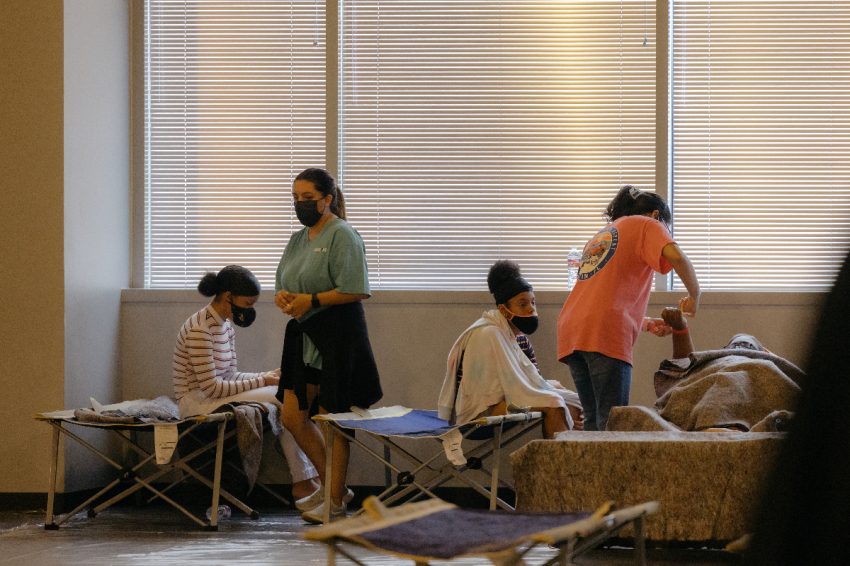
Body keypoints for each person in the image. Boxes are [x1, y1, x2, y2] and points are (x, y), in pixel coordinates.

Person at [274, 167, 382, 524]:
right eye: (295, 198)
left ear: (327, 199)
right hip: (305, 334)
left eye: (307, 198)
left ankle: (334, 501)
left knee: (334, 418)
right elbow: (285, 283)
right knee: (292, 416)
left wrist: (313, 300)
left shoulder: (343, 234)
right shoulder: (297, 239)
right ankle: (335, 487)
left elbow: (356, 288)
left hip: (338, 334)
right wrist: (286, 298)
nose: (300, 204)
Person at [557, 185, 701, 431]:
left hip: (571, 330)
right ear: (656, 215)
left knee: (593, 420)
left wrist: (644, 323)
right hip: (603, 333)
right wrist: (694, 295)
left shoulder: (601, 235)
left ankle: (590, 470)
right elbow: (677, 256)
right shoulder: (648, 225)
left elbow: (601, 295)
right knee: (613, 422)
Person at [173, 265, 319, 500]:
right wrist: (263, 380)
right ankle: (303, 480)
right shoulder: (200, 330)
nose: (250, 310)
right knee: (285, 397)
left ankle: (307, 476)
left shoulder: (225, 326)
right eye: (249, 304)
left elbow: (230, 375)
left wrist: (268, 375)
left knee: (284, 392)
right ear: (229, 297)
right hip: (196, 402)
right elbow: (211, 388)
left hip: (213, 396)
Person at [438, 260, 584, 438]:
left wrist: (555, 388)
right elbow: (492, 393)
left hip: (502, 400)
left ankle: (574, 459)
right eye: (522, 304)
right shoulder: (490, 334)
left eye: (533, 303)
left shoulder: (518, 338)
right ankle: (557, 464)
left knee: (574, 400)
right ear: (504, 310)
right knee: (555, 401)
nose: (531, 309)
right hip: (480, 411)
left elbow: (532, 380)